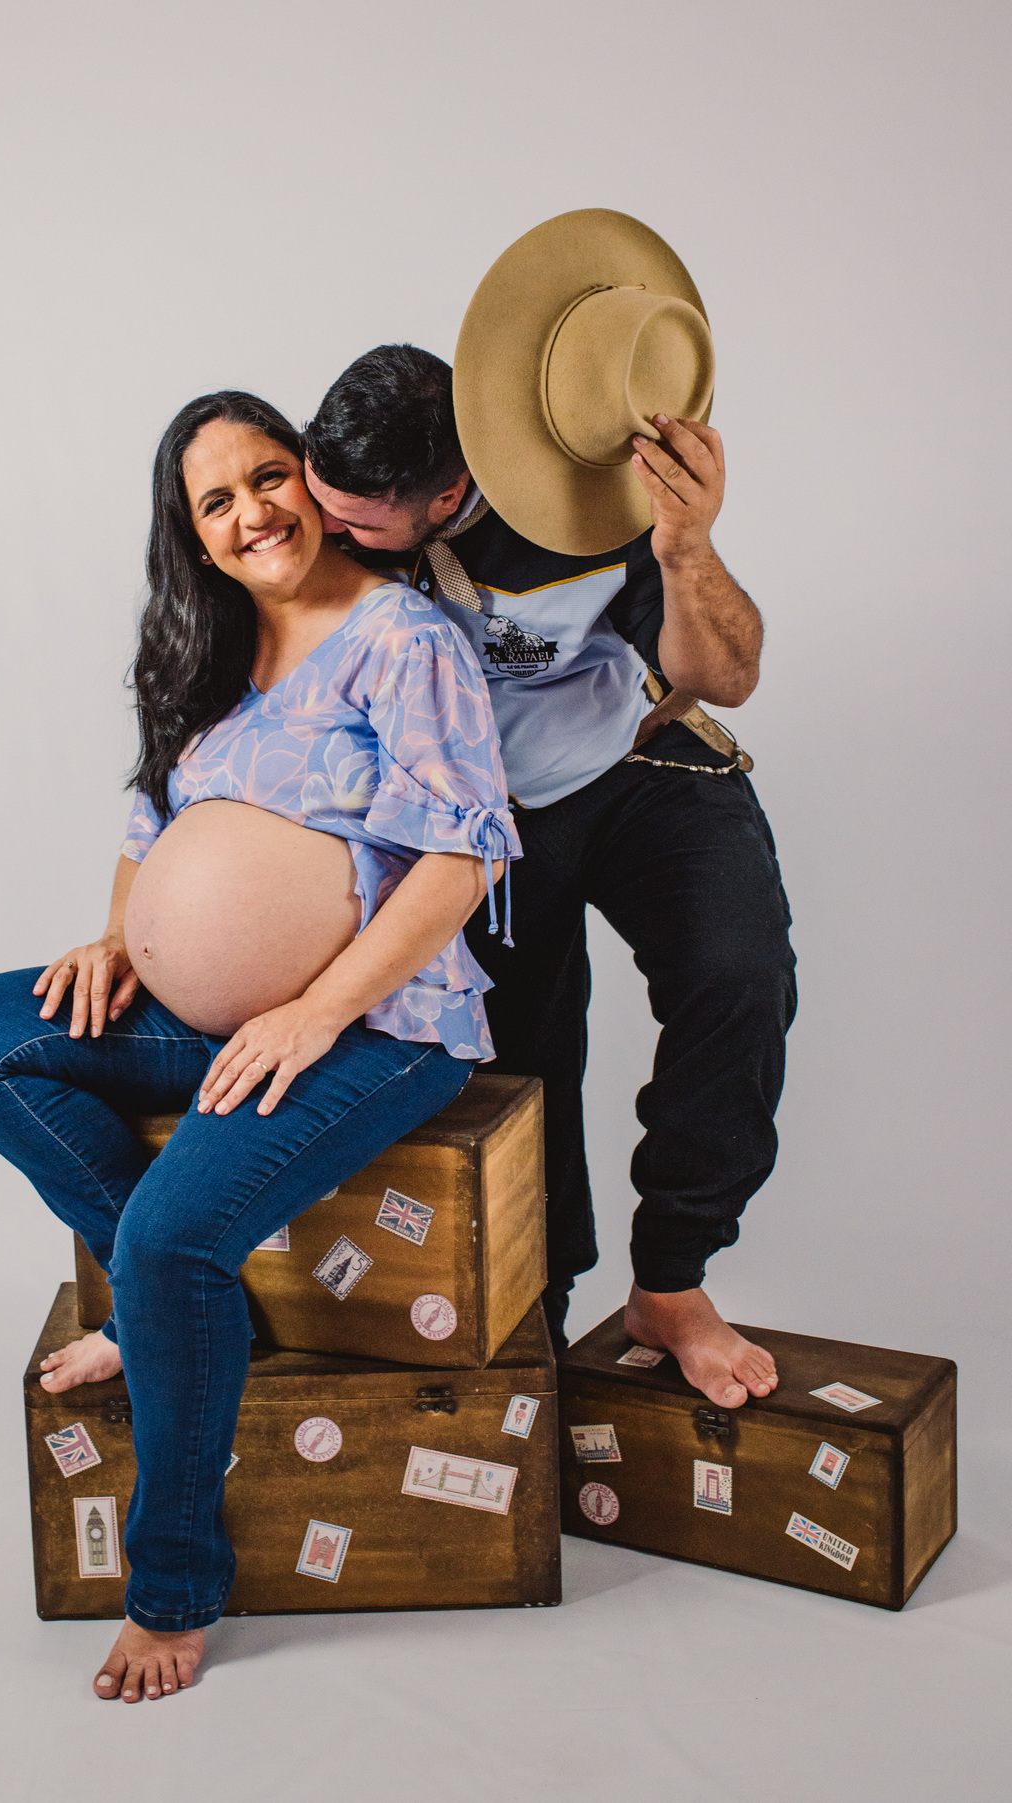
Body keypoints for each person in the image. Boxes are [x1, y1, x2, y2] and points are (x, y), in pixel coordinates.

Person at [0, 390, 518, 1702]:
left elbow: (460, 855)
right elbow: (155, 836)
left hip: (376, 1025)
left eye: (268, 476)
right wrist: (119, 941)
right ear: (192, 535)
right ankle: (173, 1313)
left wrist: (315, 1009)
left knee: (168, 1238)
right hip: (217, 1022)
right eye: (217, 501)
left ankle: (175, 1584)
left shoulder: (403, 639)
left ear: (311, 479)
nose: (252, 512)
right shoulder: (210, 654)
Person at [302, 219, 796, 1413]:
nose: (332, 537)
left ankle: (671, 1283)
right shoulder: (336, 526)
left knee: (740, 974)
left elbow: (729, 675)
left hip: (632, 760)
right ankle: (540, 1311)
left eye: (358, 522)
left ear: (447, 492)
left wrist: (686, 548)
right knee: (520, 1065)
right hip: (484, 816)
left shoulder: (587, 497)